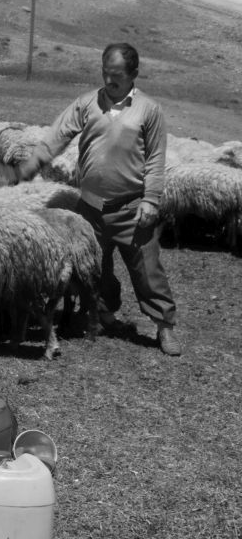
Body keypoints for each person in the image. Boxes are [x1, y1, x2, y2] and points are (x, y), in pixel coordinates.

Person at [24, 42, 180, 356]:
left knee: (147, 270)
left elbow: (155, 159)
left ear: (134, 74)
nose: (109, 82)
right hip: (91, 208)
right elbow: (59, 132)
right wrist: (35, 159)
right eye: (106, 74)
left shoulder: (148, 110)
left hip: (132, 207)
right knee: (94, 269)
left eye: (117, 76)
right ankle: (105, 314)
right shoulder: (87, 103)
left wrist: (150, 200)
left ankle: (164, 327)